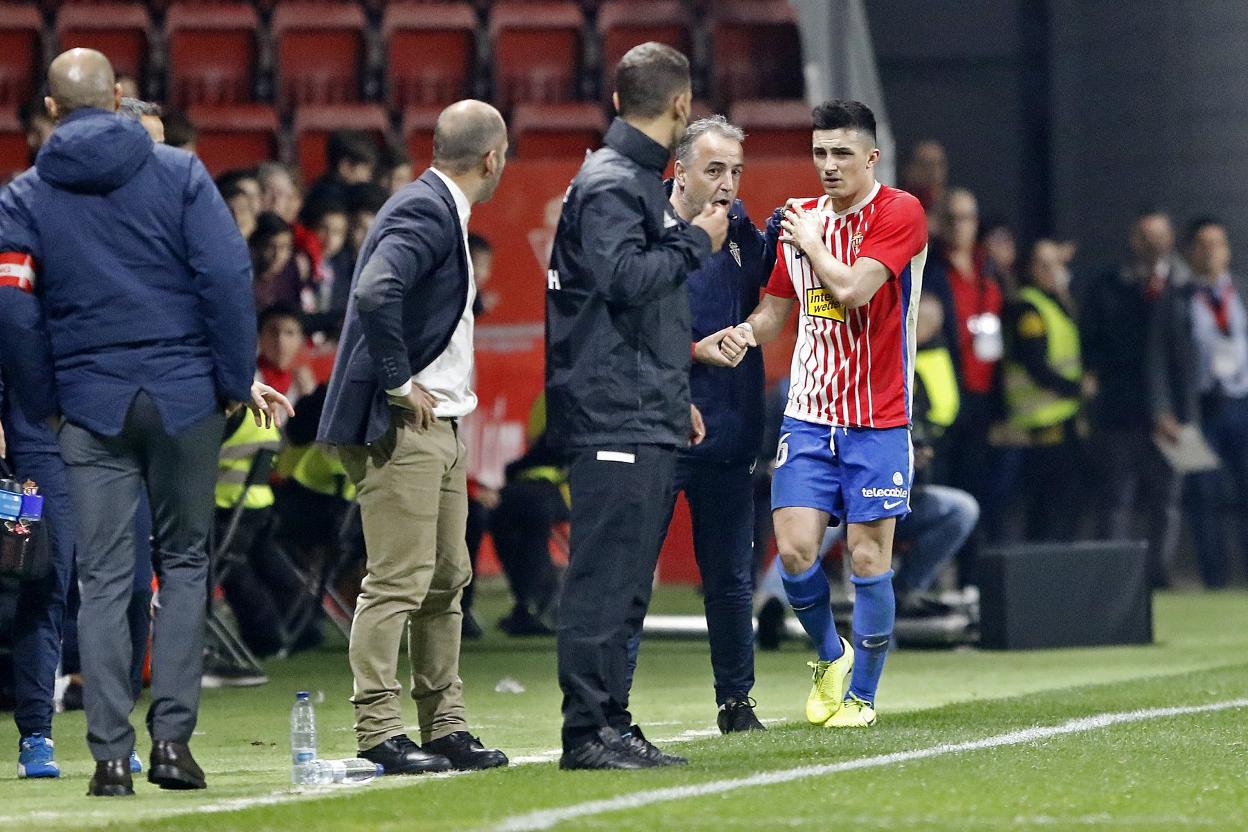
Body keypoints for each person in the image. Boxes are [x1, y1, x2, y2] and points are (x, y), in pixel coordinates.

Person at [0, 48, 290, 796]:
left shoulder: (23, 195)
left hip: (87, 402)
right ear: (117, 97)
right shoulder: (181, 174)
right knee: (185, 565)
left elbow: (13, 308)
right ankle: (171, 745)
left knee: (100, 579)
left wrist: (44, 399)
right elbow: (226, 276)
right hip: (185, 396)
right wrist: (232, 380)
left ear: (51, 109)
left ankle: (107, 757)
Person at [545, 42, 729, 770]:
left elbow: (639, 302)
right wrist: (696, 241)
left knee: (626, 584)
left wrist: (673, 391)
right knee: (603, 579)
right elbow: (623, 278)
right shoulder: (614, 183)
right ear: (682, 105)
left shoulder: (629, 180)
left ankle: (611, 722)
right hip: (612, 410)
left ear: (619, 100)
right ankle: (586, 733)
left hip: (641, 402)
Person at [317, 99, 511, 776]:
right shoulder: (425, 210)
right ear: (492, 159)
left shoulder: (435, 208)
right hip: (402, 424)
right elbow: (376, 292)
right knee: (398, 580)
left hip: (442, 423)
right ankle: (378, 729)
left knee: (447, 580)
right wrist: (400, 383)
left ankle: (444, 726)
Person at [725, 99, 928, 729]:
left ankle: (862, 698)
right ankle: (831, 655)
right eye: (819, 153)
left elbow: (853, 289)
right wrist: (744, 333)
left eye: (842, 153)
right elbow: (776, 310)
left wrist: (811, 241)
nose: (829, 165)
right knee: (793, 552)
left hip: (879, 418)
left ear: (872, 156)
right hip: (809, 414)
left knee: (867, 559)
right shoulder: (801, 218)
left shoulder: (899, 212)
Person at [633, 114, 774, 734]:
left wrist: (747, 331)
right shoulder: (643, 229)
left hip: (731, 430)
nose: (727, 184)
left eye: (735, 171)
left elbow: (776, 302)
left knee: (731, 579)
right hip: (661, 427)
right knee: (632, 577)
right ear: (680, 170)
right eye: (715, 170)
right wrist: (694, 351)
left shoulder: (741, 229)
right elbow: (625, 327)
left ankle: (737, 703)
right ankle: (610, 710)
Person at [1081, 210, 1190, 587]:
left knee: (1167, 501)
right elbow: (1092, 343)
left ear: (1170, 238)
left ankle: (1158, 575)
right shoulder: (1109, 287)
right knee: (1117, 499)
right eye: (1145, 235)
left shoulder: (1184, 288)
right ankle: (1114, 576)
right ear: (1133, 240)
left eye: (1159, 234)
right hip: (1121, 411)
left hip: (1173, 416)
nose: (1153, 243)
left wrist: (1181, 412)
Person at [0, 248, 74, 779]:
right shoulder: (20, 255)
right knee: (46, 577)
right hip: (37, 444)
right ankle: (36, 734)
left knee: (127, 587)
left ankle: (114, 729)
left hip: (110, 437)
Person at [1171, 218, 1248, 587]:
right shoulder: (1178, 297)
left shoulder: (1241, 291)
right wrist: (1164, 410)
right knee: (1204, 494)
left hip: (1241, 402)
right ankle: (1214, 576)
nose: (1211, 251)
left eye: (1218, 243)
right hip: (1198, 408)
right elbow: (1160, 357)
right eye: (1202, 244)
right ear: (1189, 251)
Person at [1001, 239, 1088, 541]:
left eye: (1056, 264)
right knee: (1048, 505)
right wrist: (1076, 388)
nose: (1052, 271)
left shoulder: (1056, 303)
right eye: (1043, 265)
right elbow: (1035, 364)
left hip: (1062, 415)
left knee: (1066, 502)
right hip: (1040, 419)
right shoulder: (1028, 308)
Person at [307, 130, 379, 206]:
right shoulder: (336, 202)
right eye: (366, 169)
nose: (369, 178)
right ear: (345, 167)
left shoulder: (316, 192)